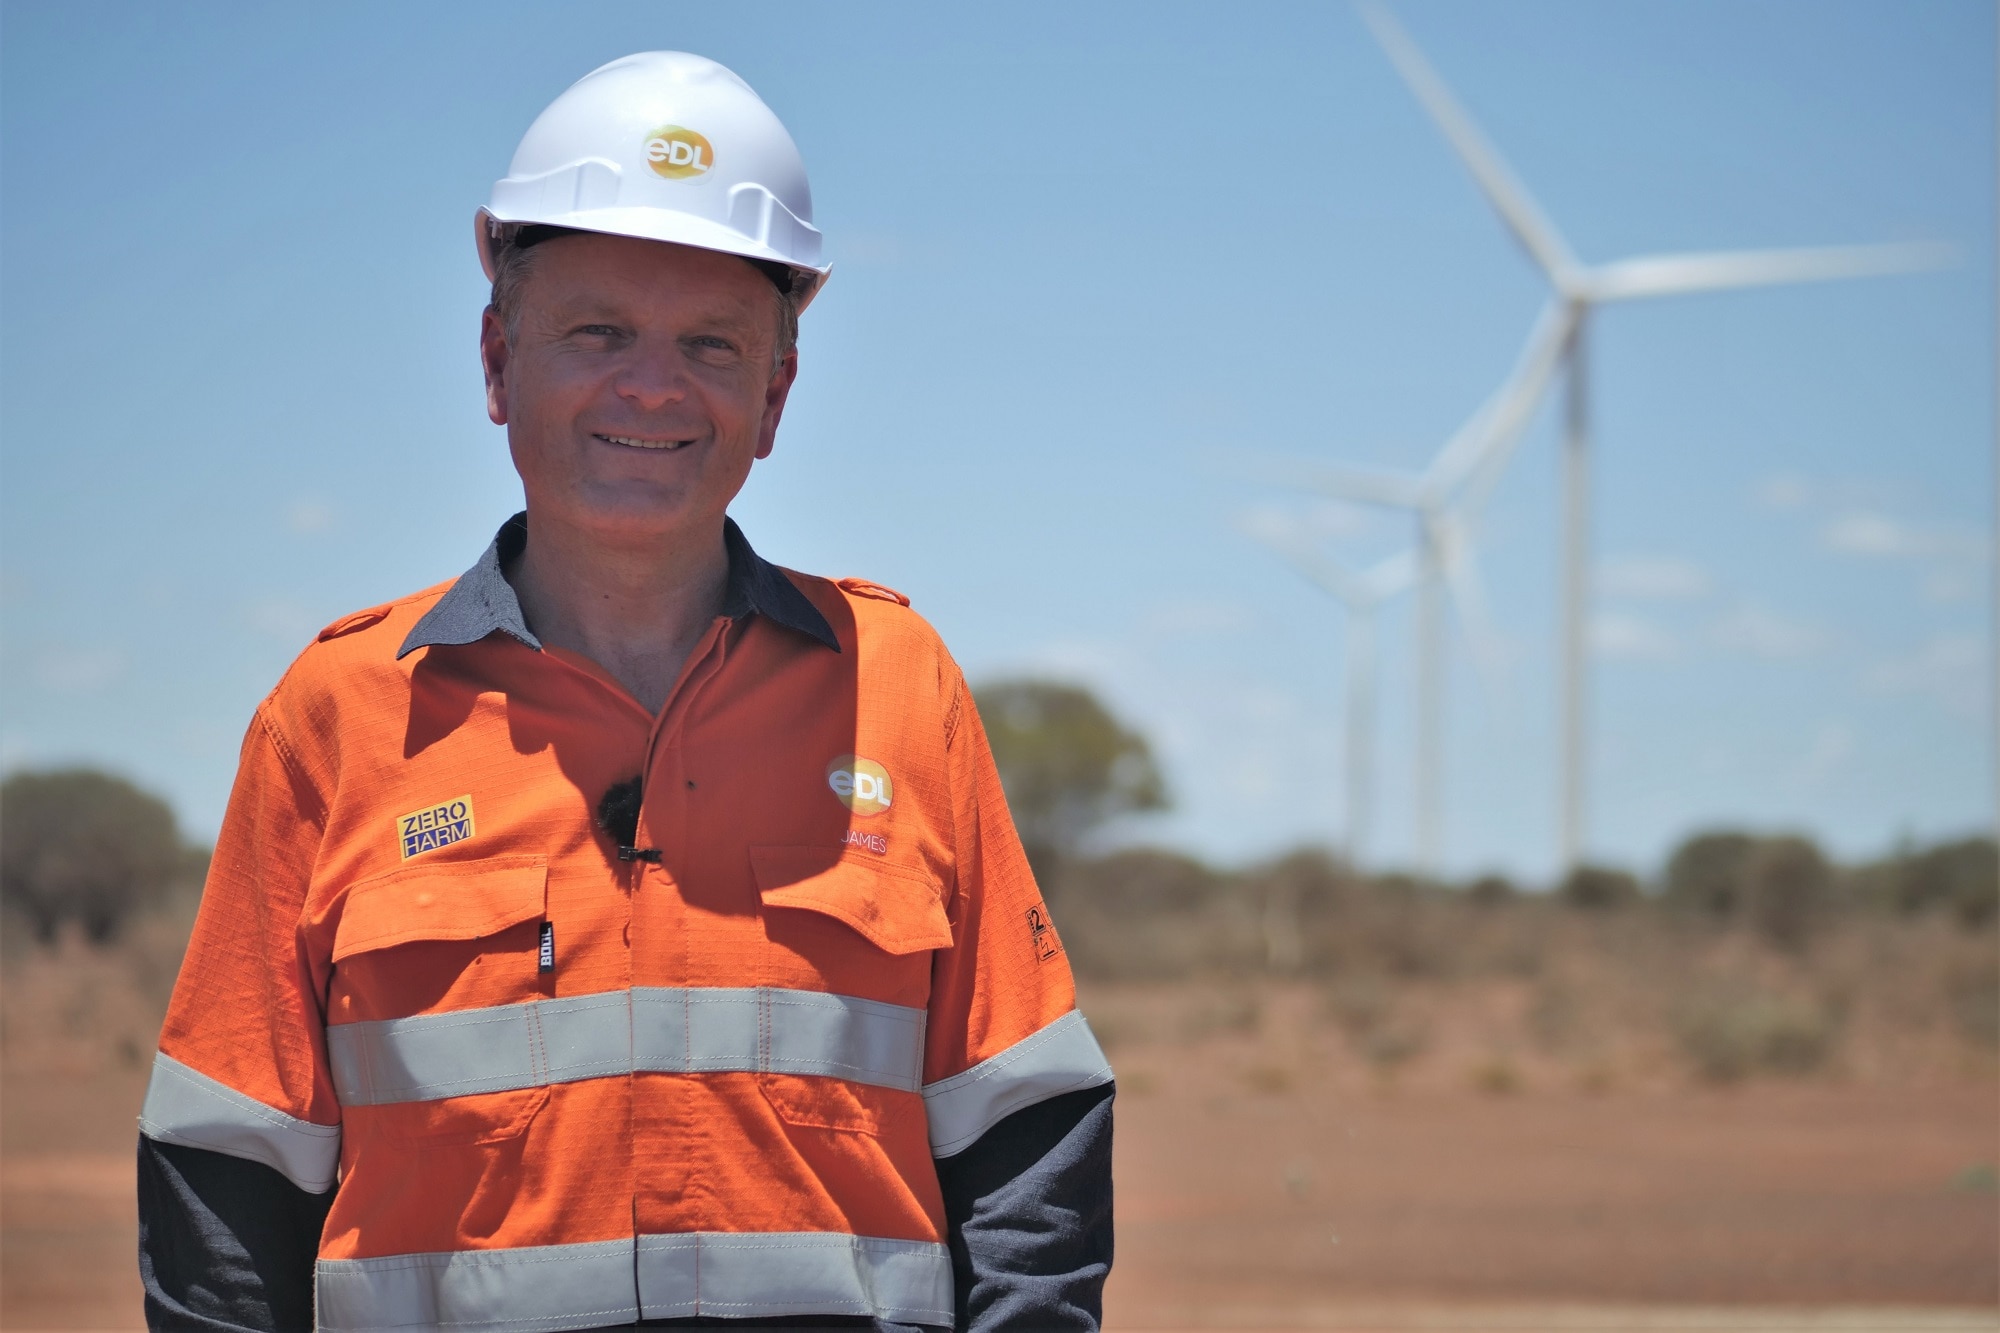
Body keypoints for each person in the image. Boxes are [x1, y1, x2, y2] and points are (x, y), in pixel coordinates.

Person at [136, 51, 1114, 1333]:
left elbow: (1025, 1141)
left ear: (774, 393)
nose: (651, 387)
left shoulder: (900, 686)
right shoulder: (339, 714)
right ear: (497, 362)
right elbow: (225, 1181)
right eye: (597, 331)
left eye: (710, 344)